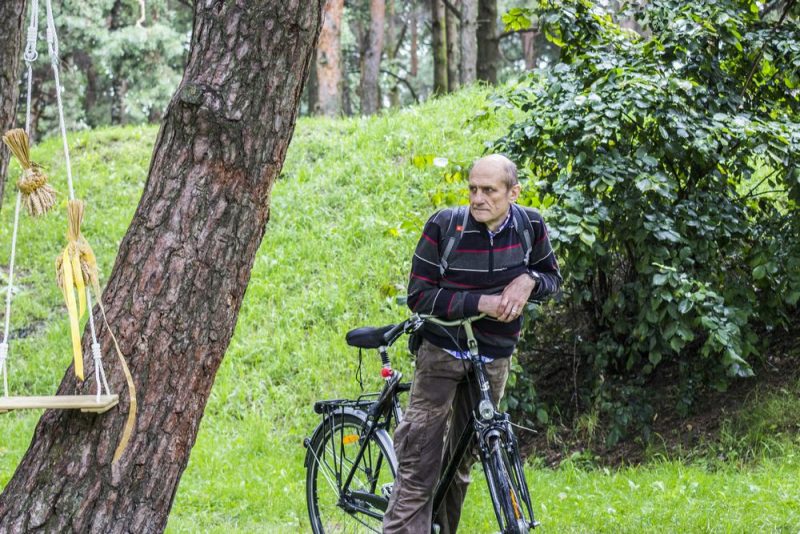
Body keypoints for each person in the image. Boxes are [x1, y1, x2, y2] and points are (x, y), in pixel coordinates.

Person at [383, 154, 562, 533]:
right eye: (473, 189)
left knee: (460, 463)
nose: (478, 198)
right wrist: (481, 303)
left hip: (494, 357)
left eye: (489, 191)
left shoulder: (530, 226)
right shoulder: (445, 226)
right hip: (441, 353)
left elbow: (552, 279)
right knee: (419, 464)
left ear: (513, 193)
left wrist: (529, 280)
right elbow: (418, 296)